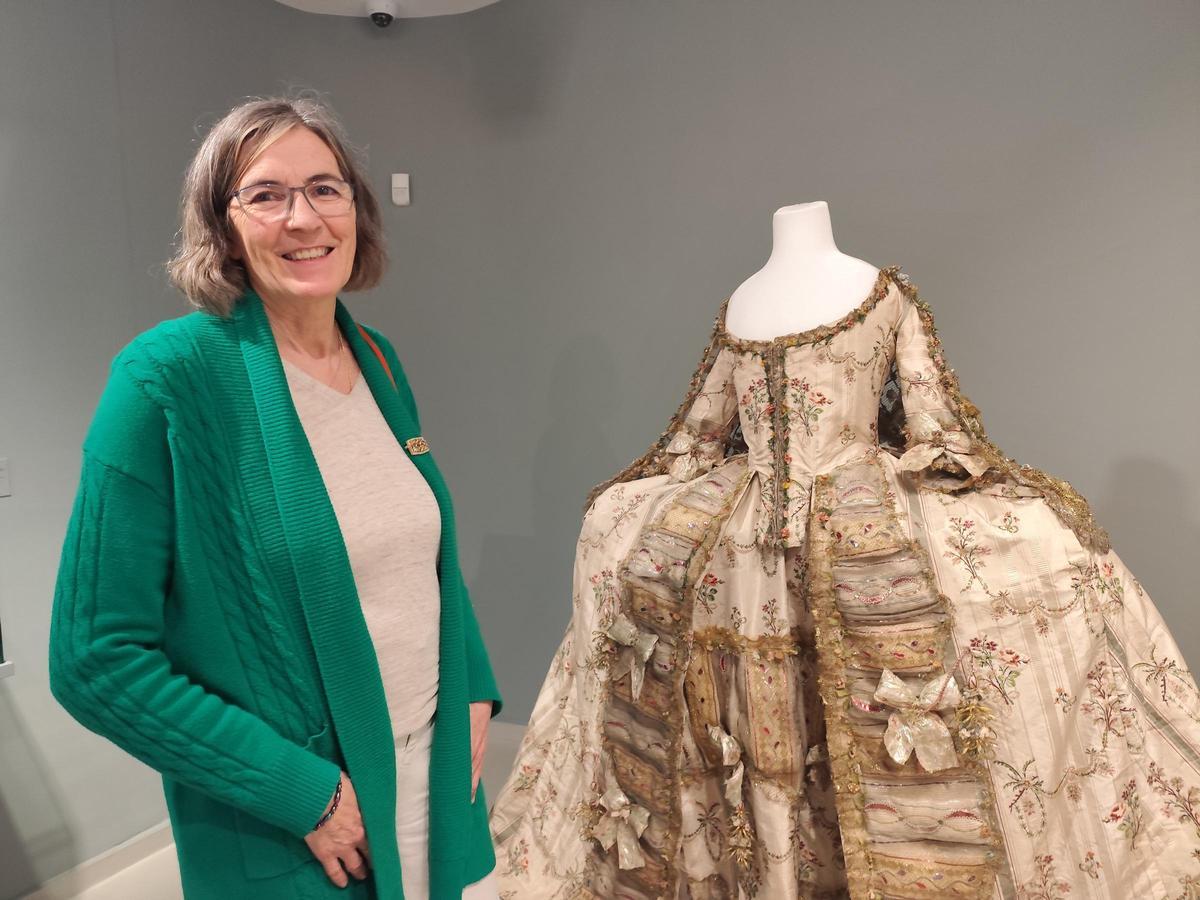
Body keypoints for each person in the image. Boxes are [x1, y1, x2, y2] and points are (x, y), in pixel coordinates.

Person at [490, 250, 1200, 897]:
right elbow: (704, 434)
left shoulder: (878, 293)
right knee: (748, 724)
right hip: (740, 546)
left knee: (862, 714)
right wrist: (627, 508)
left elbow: (933, 427)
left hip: (848, 519)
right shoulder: (743, 304)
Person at [49, 96, 501, 900]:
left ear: (356, 212)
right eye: (267, 194)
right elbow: (93, 661)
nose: (303, 218)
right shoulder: (167, 379)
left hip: (429, 778)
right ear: (222, 227)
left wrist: (472, 680)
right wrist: (304, 793)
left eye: (326, 189)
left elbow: (418, 545)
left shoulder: (379, 361)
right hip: (309, 819)